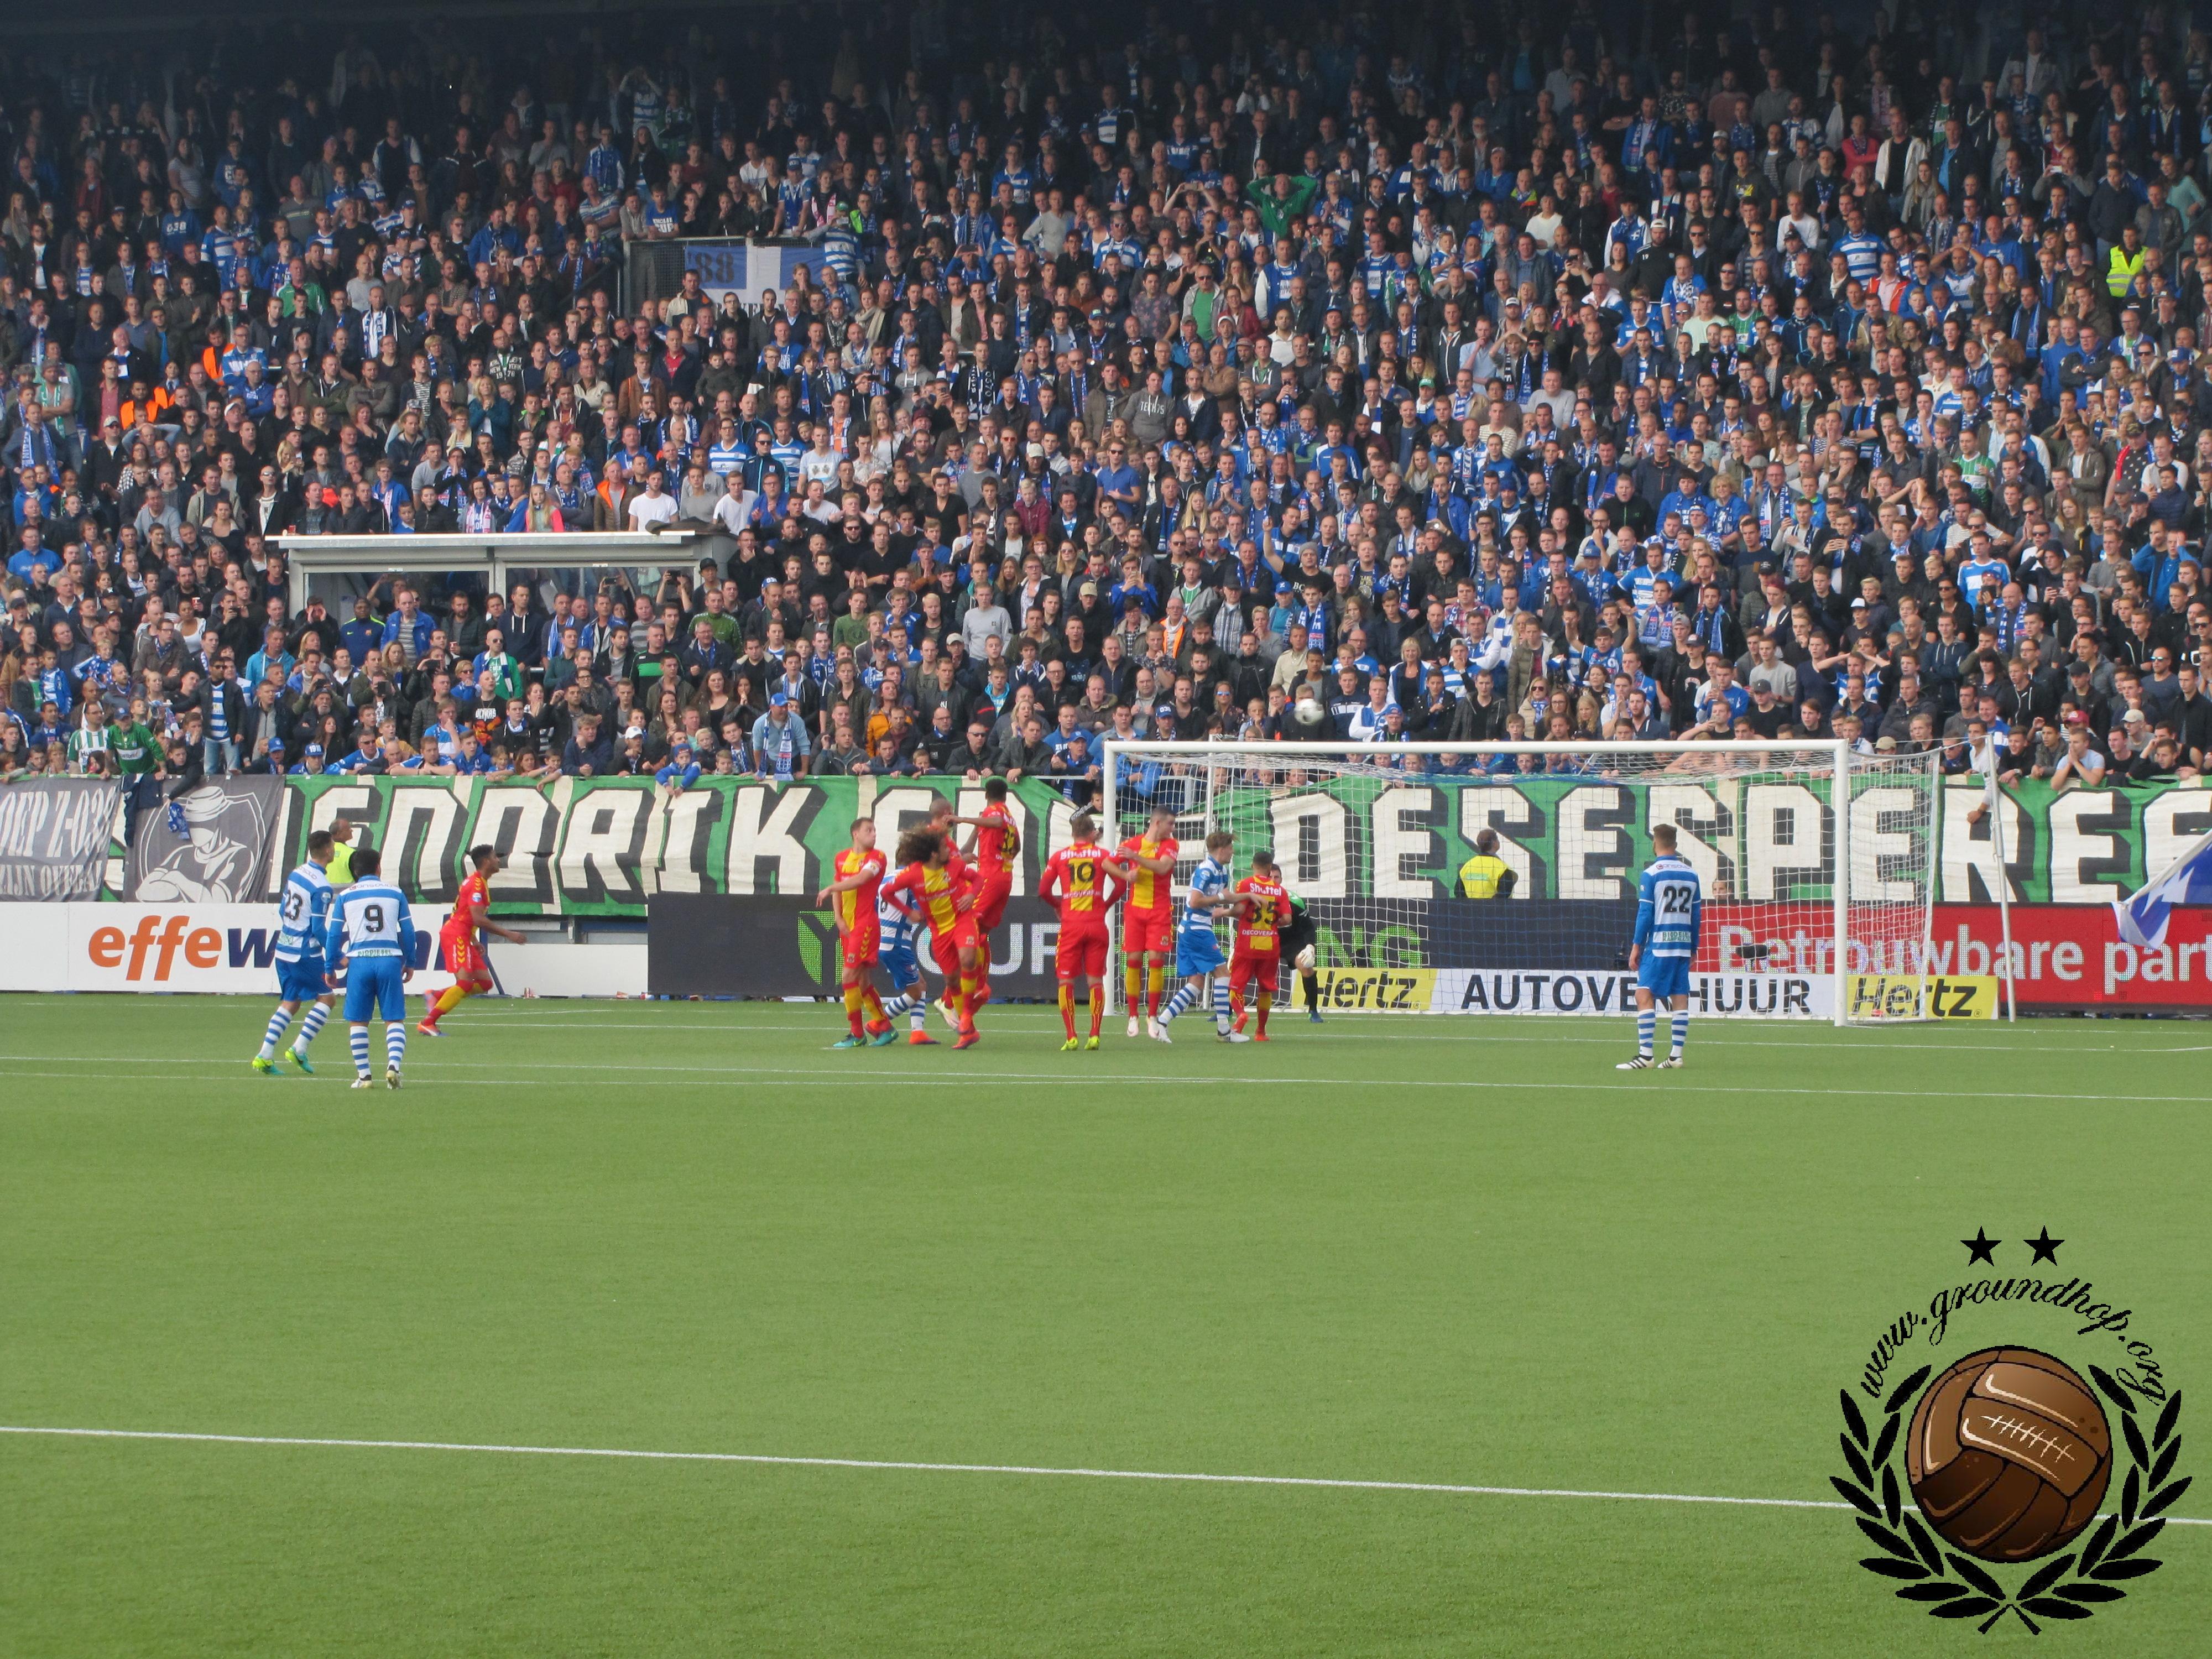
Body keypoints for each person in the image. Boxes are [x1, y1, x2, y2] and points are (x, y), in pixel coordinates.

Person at [880, 825, 985, 1050]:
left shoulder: (955, 865)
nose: (950, 850)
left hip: (961, 920)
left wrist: (970, 895)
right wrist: (908, 911)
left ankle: (966, 1016)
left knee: (968, 959)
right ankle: (967, 1033)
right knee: (951, 980)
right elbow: (886, 892)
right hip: (938, 931)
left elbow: (978, 880)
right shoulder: (913, 874)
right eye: (945, 847)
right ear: (934, 854)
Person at [252, 828, 342, 1075]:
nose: (334, 850)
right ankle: (299, 1049)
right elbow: (318, 928)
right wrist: (336, 954)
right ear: (327, 850)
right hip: (304, 953)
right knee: (327, 999)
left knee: (291, 1002)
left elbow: (283, 910)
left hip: (284, 947)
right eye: (333, 846)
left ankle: (264, 1055)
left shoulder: (296, 873)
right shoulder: (322, 887)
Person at [324, 847, 415, 1090]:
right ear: (378, 867)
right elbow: (408, 931)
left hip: (359, 962)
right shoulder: (395, 893)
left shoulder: (345, 896)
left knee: (358, 1021)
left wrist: (330, 965)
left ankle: (364, 1077)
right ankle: (393, 1066)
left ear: (354, 871)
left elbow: (333, 935)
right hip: (389, 960)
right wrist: (411, 961)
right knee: (394, 1018)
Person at [1152, 828, 1250, 1043]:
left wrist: (1248, 896)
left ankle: (1162, 1023)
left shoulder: (1222, 871)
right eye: (1231, 848)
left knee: (1196, 983)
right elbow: (1195, 901)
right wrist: (1221, 898)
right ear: (1222, 849)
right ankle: (1224, 1031)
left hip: (1194, 929)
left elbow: (1226, 896)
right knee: (1223, 973)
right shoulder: (1206, 869)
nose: (1233, 852)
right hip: (1196, 929)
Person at [418, 846, 525, 1036]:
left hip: (464, 935)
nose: (498, 861)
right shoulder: (476, 885)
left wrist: (474, 939)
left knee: (485, 984)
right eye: (495, 857)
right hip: (456, 935)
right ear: (486, 862)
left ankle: (436, 995)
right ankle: (428, 1022)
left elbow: (463, 913)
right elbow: (477, 918)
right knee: (465, 983)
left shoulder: (478, 882)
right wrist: (508, 934)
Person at [1619, 824, 1702, 1071]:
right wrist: (1694, 947)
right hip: (1683, 944)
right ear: (1675, 845)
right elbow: (1696, 915)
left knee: (1643, 995)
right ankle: (1676, 1056)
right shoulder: (1691, 874)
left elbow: (1645, 913)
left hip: (1659, 945)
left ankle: (1646, 1056)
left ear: (1655, 844)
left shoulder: (1652, 873)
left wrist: (1636, 946)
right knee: (1680, 996)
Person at [1038, 810, 1122, 1048]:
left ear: (1073, 833)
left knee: (1066, 981)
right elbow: (1121, 884)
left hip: (1071, 926)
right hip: (1096, 925)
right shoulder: (1102, 855)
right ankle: (1094, 1034)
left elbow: (1043, 890)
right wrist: (1105, 906)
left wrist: (1059, 906)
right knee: (1096, 981)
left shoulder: (1060, 857)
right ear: (1092, 833)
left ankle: (1071, 1036)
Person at [815, 817, 898, 1048]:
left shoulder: (877, 857)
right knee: (862, 981)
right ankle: (885, 1027)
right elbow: (839, 890)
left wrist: (831, 888)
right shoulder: (841, 858)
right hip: (848, 926)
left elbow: (862, 880)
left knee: (848, 977)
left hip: (865, 925)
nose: (874, 834)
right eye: (869, 830)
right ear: (856, 834)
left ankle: (857, 1033)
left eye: (875, 830)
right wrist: (838, 918)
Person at [950, 775, 1020, 1010]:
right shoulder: (1010, 818)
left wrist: (961, 819)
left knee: (967, 924)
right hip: (1005, 878)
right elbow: (1017, 846)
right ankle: (981, 984)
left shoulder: (995, 813)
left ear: (987, 794)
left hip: (989, 877)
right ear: (1005, 795)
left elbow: (995, 821)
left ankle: (966, 988)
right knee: (981, 932)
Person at [1115, 805, 1179, 1035]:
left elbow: (1163, 868)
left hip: (1160, 911)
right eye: (1170, 824)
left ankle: (1152, 1016)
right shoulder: (1133, 843)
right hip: (1134, 911)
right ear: (1157, 823)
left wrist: (1136, 858)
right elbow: (1106, 863)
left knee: (1156, 960)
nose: (1173, 828)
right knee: (1133, 961)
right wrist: (1125, 875)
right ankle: (1133, 1015)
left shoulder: (1171, 845)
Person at [1228, 848, 1290, 1040]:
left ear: (1252, 865)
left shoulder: (1245, 884)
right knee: (1266, 988)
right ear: (1270, 868)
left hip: (1247, 944)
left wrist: (1225, 912)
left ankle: (1241, 1014)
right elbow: (1287, 919)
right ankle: (1261, 1032)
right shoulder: (1280, 891)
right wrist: (1273, 925)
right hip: (1270, 946)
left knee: (1235, 986)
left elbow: (1239, 910)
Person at [1276, 887, 1324, 1024]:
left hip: (1293, 942)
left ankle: (1313, 1010)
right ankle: (1229, 1009)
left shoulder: (1295, 902)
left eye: (1277, 877)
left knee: (1305, 965)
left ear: (1281, 879)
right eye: (1271, 877)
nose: (1273, 880)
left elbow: (1308, 927)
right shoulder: (1258, 898)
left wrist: (1310, 945)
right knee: (1242, 967)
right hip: (1266, 938)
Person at [1457, 828, 1517, 898]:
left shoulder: (1467, 866)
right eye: (1497, 840)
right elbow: (1505, 893)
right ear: (1494, 843)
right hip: (1493, 905)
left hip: (1471, 905)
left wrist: (1471, 904)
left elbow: (1458, 892)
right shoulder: (1501, 868)